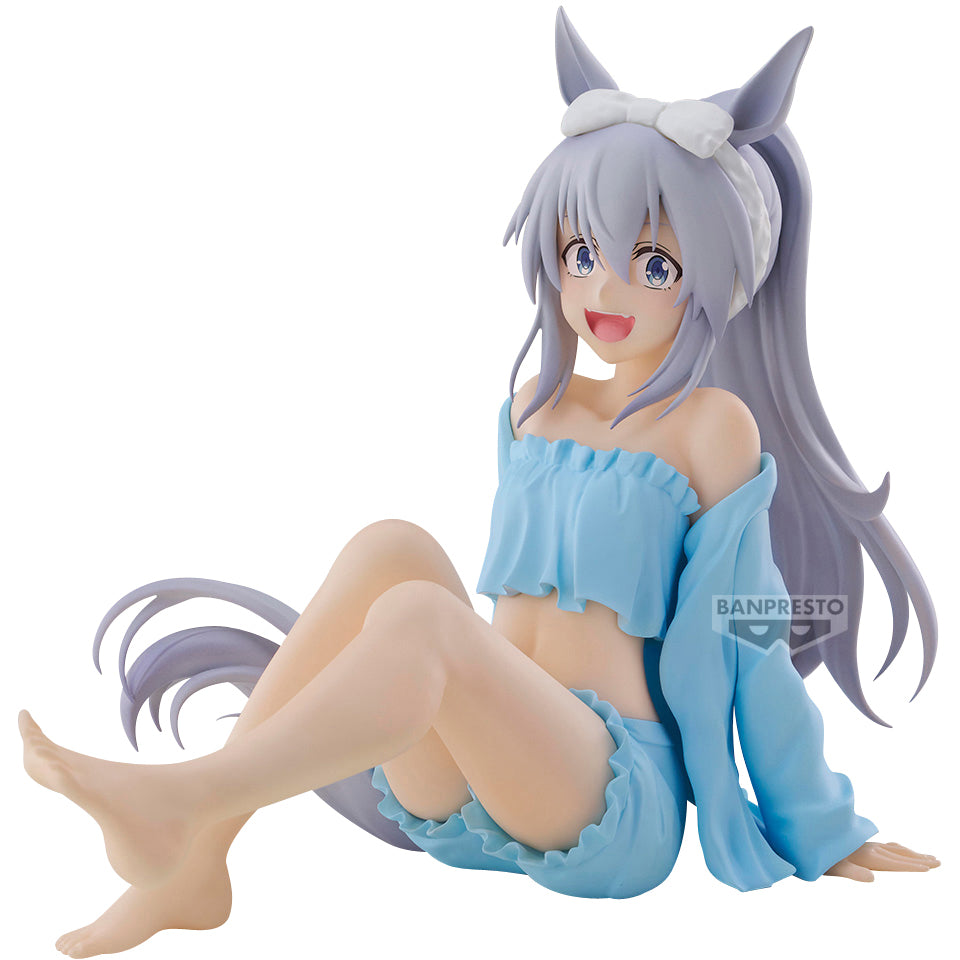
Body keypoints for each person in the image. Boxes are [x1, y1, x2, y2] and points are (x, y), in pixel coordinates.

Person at [20, 8, 939, 958]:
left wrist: (822, 827)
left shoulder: (711, 428)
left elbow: (753, 632)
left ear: (715, 276)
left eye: (654, 263)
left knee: (422, 614)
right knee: (392, 548)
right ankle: (195, 865)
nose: (605, 290)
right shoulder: (533, 407)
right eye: (581, 253)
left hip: (608, 799)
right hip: (472, 779)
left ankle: (186, 799)